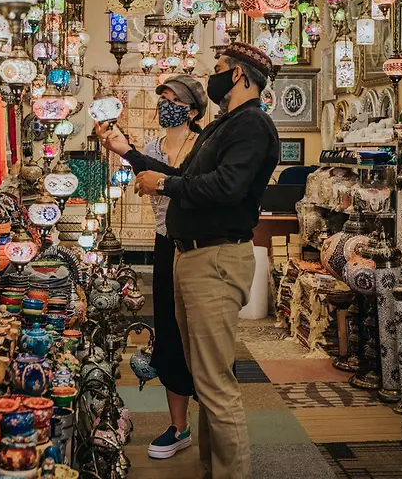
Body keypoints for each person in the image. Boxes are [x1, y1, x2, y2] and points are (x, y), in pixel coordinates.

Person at [95, 43, 279, 479]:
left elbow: (226, 187)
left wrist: (164, 186)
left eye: (219, 68)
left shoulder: (252, 125)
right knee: (203, 373)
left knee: (216, 382)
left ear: (238, 74)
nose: (214, 76)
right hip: (192, 255)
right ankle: (212, 467)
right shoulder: (225, 124)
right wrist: (131, 155)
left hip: (215, 258)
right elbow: (183, 177)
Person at [141, 74, 207, 460]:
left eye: (174, 99)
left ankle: (214, 426)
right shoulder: (152, 147)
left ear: (193, 111)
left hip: (198, 248)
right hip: (165, 243)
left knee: (202, 333)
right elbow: (154, 196)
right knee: (168, 330)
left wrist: (165, 183)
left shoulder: (204, 146)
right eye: (162, 97)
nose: (165, 104)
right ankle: (179, 426)